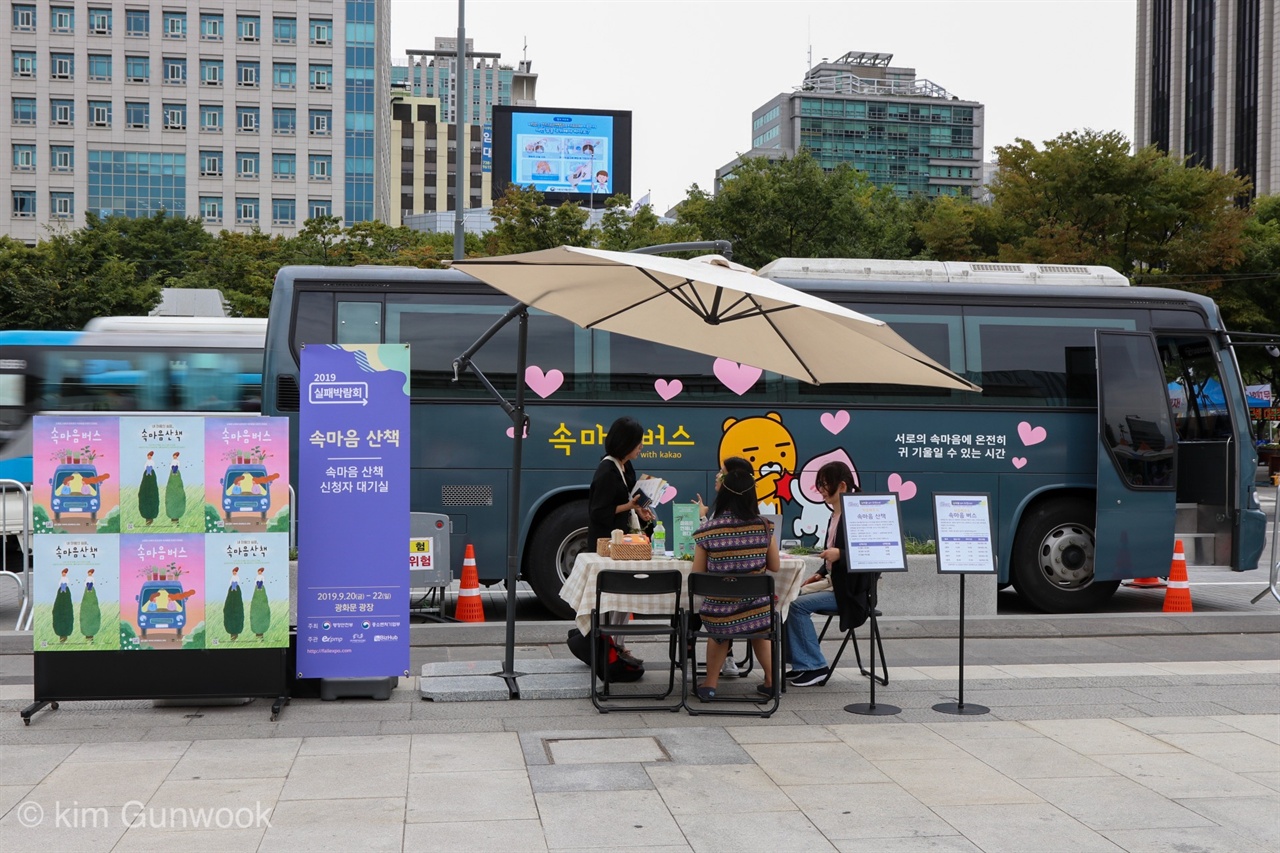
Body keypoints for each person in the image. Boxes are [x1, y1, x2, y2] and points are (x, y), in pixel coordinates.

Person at [691, 464, 780, 701]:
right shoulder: (764, 526)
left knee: (720, 627)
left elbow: (697, 574)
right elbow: (775, 566)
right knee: (760, 627)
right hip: (758, 611)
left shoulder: (708, 530)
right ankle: (771, 681)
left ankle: (710, 684)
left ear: (724, 494)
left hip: (718, 611)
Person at [783, 459, 867, 687]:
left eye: (824, 484)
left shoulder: (859, 513)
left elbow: (872, 554)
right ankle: (800, 663)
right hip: (833, 582)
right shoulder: (836, 514)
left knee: (795, 605)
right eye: (819, 484)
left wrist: (841, 554)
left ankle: (814, 666)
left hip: (850, 591)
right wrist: (820, 573)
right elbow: (832, 552)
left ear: (841, 486)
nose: (820, 489)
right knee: (786, 598)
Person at [587, 416, 656, 665]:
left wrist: (639, 510)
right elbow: (597, 511)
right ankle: (607, 645)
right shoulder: (606, 471)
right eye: (638, 443)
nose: (641, 448)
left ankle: (619, 644)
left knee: (623, 595)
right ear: (626, 443)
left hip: (625, 541)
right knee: (610, 595)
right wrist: (629, 506)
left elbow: (632, 498)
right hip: (607, 543)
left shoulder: (626, 466)